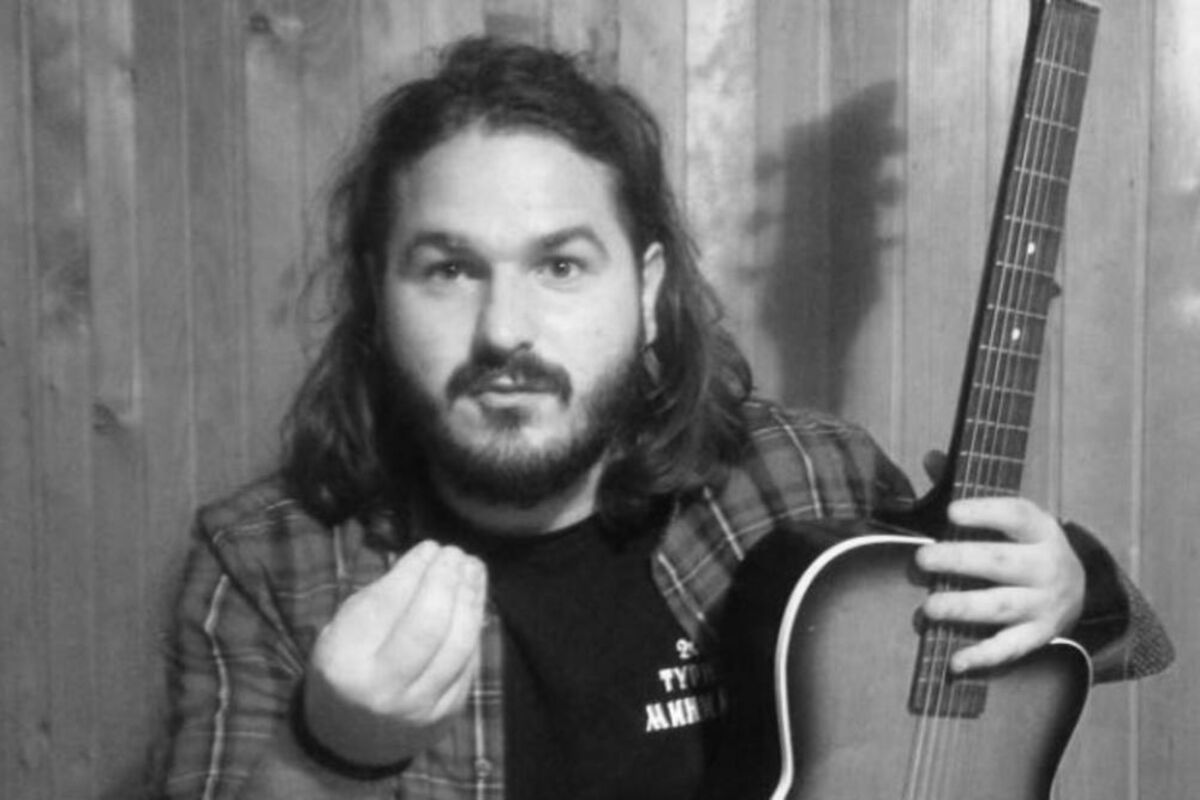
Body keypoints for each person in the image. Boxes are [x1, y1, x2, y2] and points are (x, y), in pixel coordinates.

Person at [160, 37, 1172, 800]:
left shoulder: (808, 479)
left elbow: (1115, 641)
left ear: (646, 293)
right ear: (377, 293)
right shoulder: (266, 563)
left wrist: (1070, 587)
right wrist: (327, 751)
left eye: (561, 265)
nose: (504, 328)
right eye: (450, 268)